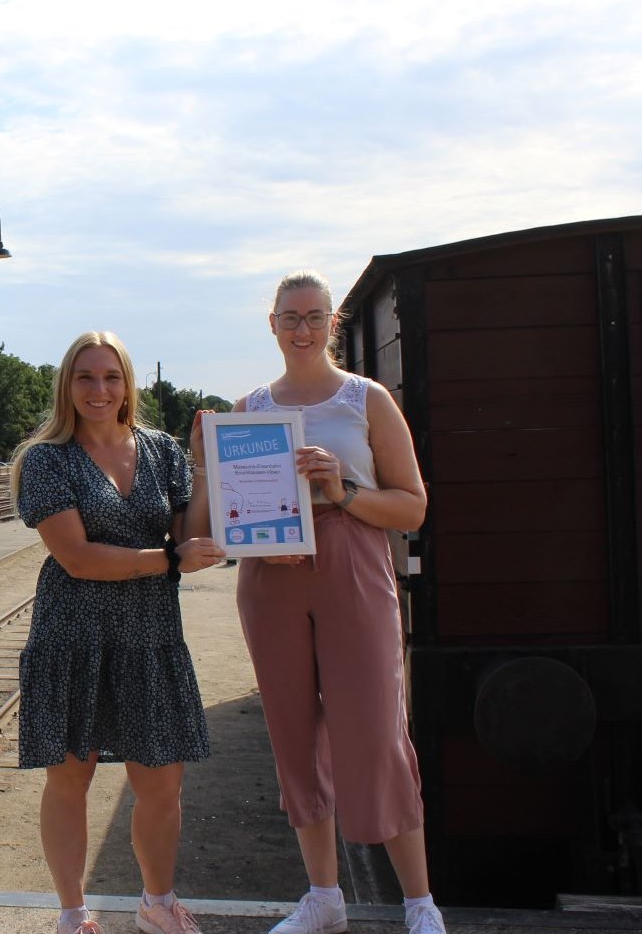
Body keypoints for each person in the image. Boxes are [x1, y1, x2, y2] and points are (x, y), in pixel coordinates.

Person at [186, 271, 441, 934]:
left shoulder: (366, 399)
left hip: (352, 561)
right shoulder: (245, 411)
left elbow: (411, 504)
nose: (301, 328)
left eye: (313, 316)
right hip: (272, 576)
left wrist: (340, 489)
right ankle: (323, 897)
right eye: (289, 317)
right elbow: (207, 529)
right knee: (292, 735)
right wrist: (203, 467)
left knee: (375, 731)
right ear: (270, 325)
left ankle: (419, 902)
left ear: (333, 322)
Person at [10, 330, 227, 934]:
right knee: (71, 778)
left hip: (151, 634)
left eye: (111, 377)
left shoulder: (160, 451)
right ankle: (73, 914)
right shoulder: (47, 459)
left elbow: (194, 533)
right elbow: (77, 558)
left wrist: (205, 462)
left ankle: (158, 905)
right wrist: (166, 560)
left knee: (162, 781)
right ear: (67, 387)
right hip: (73, 634)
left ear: (127, 383)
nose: (99, 389)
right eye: (86, 378)